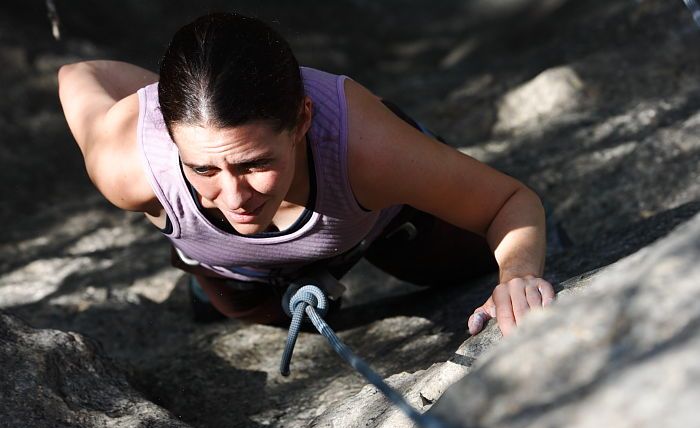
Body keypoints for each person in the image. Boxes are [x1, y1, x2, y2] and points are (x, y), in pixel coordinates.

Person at [57, 12, 554, 337]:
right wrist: (180, 100)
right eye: (203, 167)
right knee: (273, 315)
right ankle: (219, 270)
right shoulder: (128, 167)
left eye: (254, 163)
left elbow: (507, 202)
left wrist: (517, 274)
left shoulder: (367, 147)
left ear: (302, 120)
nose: (233, 196)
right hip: (239, 267)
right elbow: (76, 75)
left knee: (464, 266)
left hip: (381, 216)